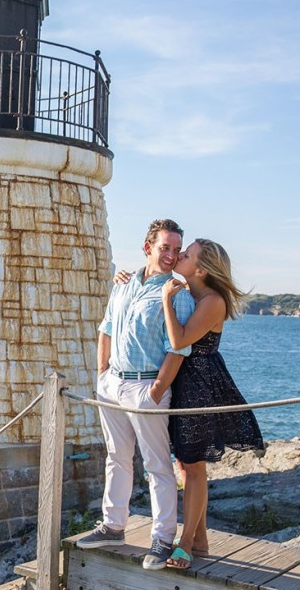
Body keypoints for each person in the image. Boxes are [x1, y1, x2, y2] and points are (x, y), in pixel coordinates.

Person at [76, 219, 195, 571]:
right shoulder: (123, 285)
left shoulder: (178, 293)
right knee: (117, 457)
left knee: (157, 466)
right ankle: (113, 525)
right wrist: (102, 376)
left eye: (176, 249)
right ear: (148, 248)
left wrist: (158, 390)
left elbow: (178, 349)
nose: (172, 255)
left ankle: (161, 539)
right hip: (113, 384)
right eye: (165, 248)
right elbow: (106, 330)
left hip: (147, 388)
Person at [158, 239, 264, 569]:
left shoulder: (212, 300)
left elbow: (178, 340)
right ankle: (200, 537)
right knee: (185, 464)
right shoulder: (187, 291)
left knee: (194, 466)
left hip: (200, 387)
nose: (179, 256)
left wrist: (165, 301)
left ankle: (187, 542)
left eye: (186, 255)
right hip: (183, 382)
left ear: (201, 269)